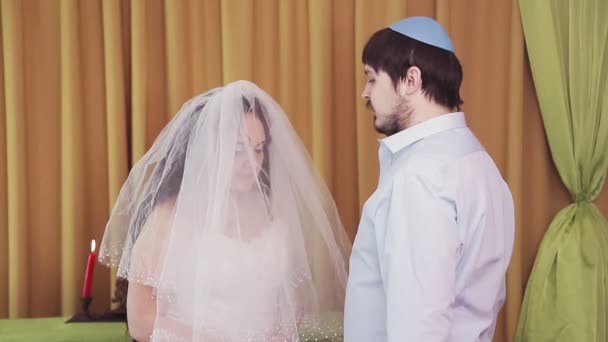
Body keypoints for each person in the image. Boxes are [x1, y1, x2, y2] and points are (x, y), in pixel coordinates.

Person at [99, 80, 351, 342]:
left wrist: (279, 334)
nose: (252, 162)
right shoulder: (168, 217)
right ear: (207, 149)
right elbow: (142, 322)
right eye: (238, 149)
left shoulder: (272, 207)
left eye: (258, 148)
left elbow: (293, 296)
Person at [344, 16, 515, 342]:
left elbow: (418, 327)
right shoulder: (482, 165)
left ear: (411, 80)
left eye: (371, 78)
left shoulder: (420, 177)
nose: (365, 93)